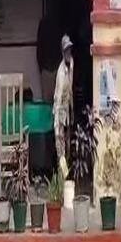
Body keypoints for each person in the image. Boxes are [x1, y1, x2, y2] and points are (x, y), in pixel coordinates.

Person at [53, 34, 74, 177]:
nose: (68, 52)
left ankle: (66, 175)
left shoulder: (71, 64)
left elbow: (71, 90)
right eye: (66, 50)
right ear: (62, 51)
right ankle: (62, 177)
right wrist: (57, 121)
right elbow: (59, 97)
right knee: (60, 145)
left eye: (69, 49)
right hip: (60, 110)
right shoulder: (61, 72)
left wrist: (72, 112)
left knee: (67, 143)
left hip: (67, 110)